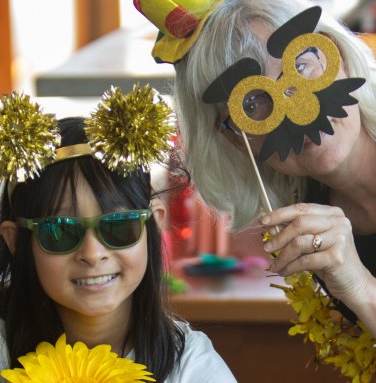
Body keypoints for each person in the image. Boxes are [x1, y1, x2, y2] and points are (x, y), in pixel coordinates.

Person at [133, 0, 376, 378]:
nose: (297, 108)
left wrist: (360, 285)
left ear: (338, 55)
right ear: (234, 141)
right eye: (254, 102)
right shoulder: (304, 220)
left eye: (301, 65)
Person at [0, 89, 237, 382]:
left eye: (118, 226)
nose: (92, 253)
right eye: (60, 230)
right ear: (15, 240)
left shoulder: (192, 369)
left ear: (154, 223)